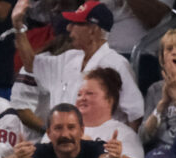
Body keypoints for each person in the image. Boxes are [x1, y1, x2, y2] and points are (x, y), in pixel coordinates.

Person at [13, 0, 144, 128]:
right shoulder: (69, 58)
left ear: (93, 30)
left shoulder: (117, 64)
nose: (69, 28)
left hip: (98, 143)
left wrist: (123, 142)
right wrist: (18, 27)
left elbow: (135, 114)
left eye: (76, 24)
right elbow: (31, 65)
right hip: (61, 140)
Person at [139, 29, 176, 151]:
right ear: (162, 58)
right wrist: (162, 104)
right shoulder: (155, 89)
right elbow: (143, 136)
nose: (174, 53)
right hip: (161, 155)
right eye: (169, 49)